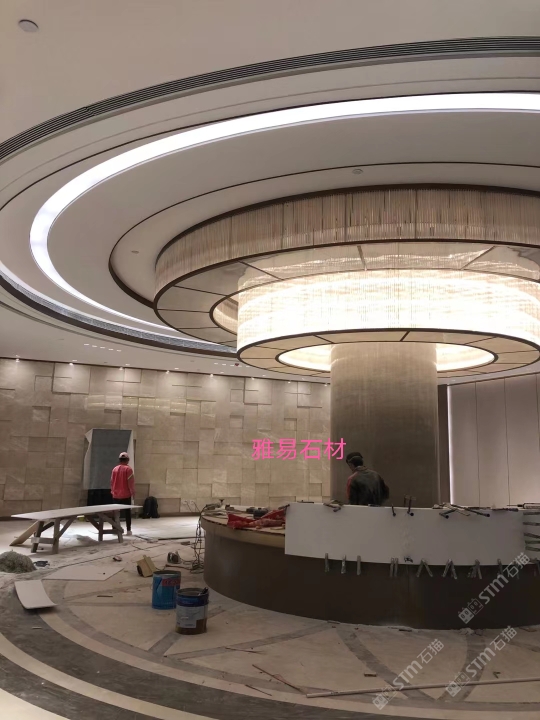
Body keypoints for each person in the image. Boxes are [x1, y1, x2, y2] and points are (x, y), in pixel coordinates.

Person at [110, 451, 135, 536]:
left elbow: (111, 482)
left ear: (119, 460)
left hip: (115, 495)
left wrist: (112, 491)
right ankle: (128, 530)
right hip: (126, 495)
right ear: (127, 460)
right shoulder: (129, 469)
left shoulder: (114, 469)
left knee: (115, 513)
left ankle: (114, 529)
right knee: (127, 513)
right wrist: (132, 492)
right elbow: (130, 483)